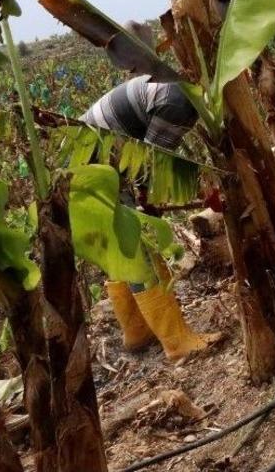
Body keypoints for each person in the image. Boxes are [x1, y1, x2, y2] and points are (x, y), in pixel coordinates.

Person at [80, 23, 217, 361]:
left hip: (91, 163)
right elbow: (151, 166)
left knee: (123, 254)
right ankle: (177, 343)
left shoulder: (171, 86)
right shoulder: (177, 99)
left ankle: (137, 332)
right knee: (138, 253)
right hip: (98, 168)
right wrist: (149, 204)